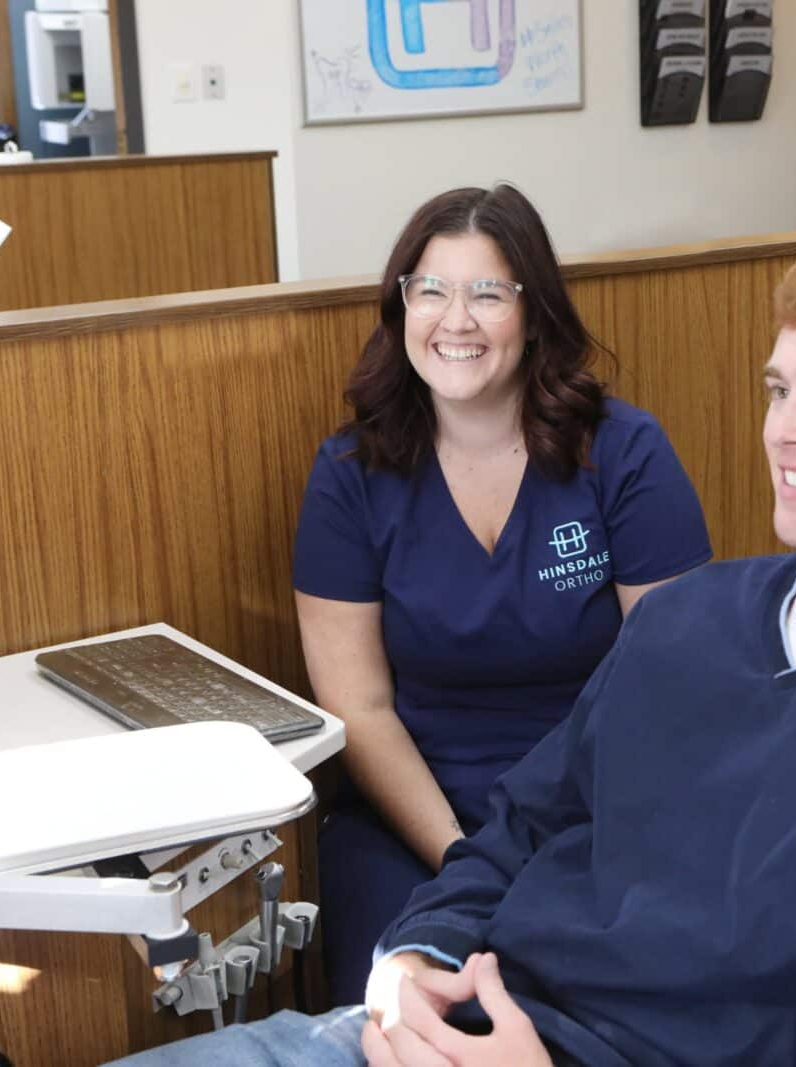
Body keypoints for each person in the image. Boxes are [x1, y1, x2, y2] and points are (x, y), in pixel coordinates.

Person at [114, 233, 796, 1067]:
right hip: (446, 1026)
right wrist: (415, 957)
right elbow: (520, 827)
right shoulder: (690, 618)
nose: (785, 428)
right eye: (780, 388)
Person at [294, 184, 712, 1005]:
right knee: (403, 1013)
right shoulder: (349, 475)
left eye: (488, 293)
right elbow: (360, 710)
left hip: (597, 808)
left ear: (535, 312)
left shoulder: (624, 451)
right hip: (412, 822)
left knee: (595, 1004)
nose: (456, 320)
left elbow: (674, 682)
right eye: (431, 291)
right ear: (401, 307)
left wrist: (573, 844)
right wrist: (467, 863)